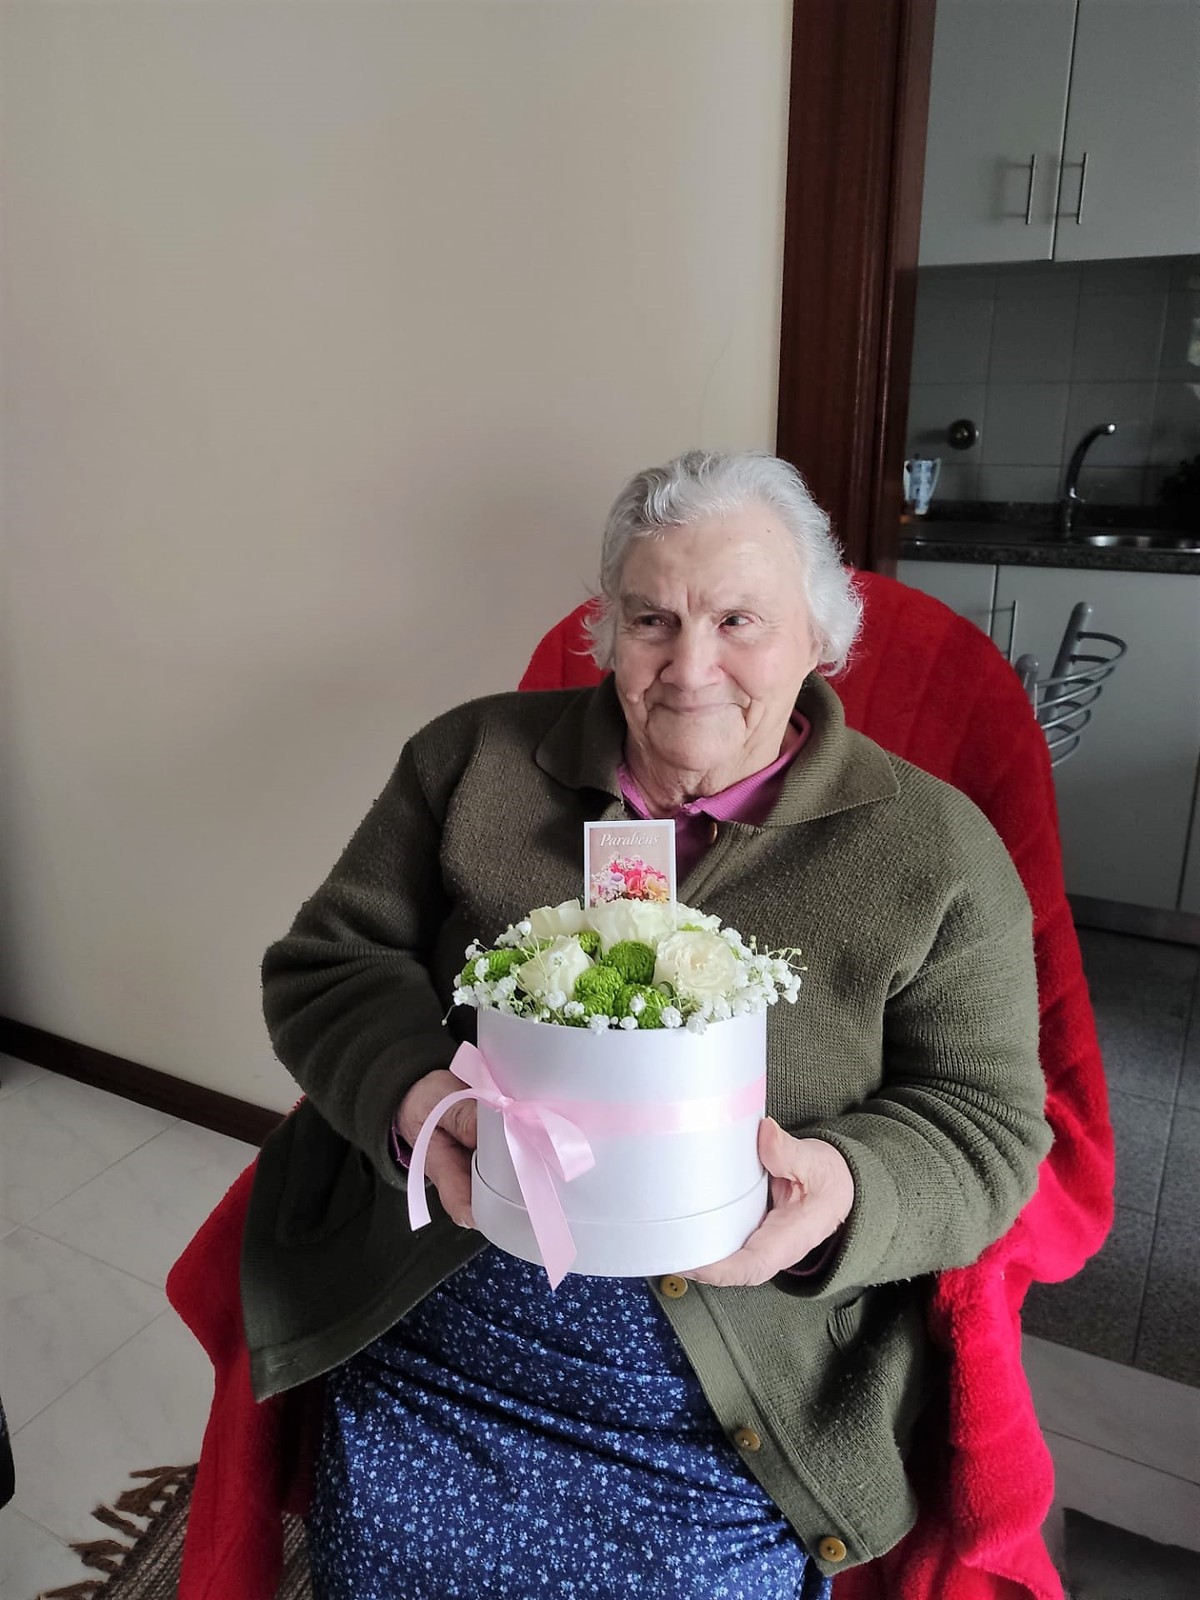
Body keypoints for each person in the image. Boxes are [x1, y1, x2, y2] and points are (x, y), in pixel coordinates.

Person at [243, 449, 1051, 1599]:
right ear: (608, 633)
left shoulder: (936, 852)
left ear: (820, 636)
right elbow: (330, 962)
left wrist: (840, 1191)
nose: (691, 665)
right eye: (652, 619)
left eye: (738, 620)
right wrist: (421, 1097)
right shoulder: (470, 761)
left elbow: (990, 1125)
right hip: (444, 1334)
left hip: (727, 1403)